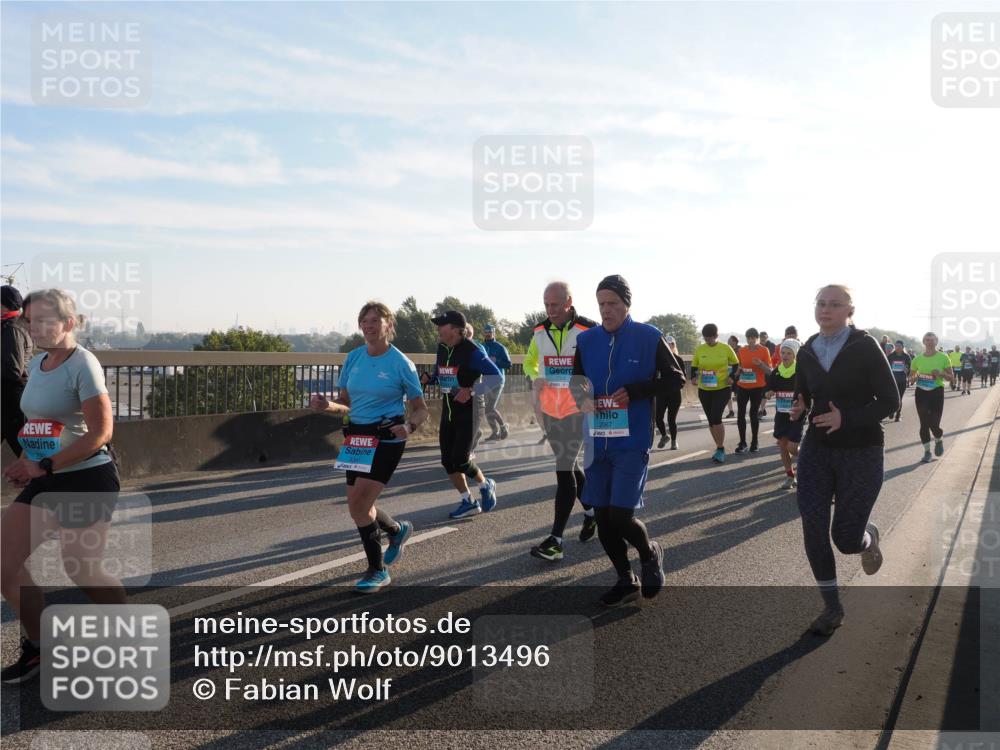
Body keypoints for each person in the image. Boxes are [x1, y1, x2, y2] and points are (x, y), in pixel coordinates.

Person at [2, 289, 125, 684]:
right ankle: (40, 647)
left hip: (88, 477)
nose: (33, 327)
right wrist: (26, 462)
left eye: (42, 320)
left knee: (81, 568)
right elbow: (39, 423)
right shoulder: (39, 363)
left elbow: (102, 433)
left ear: (68, 323)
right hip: (47, 476)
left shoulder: (83, 364)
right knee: (3, 565)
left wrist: (45, 465)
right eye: (29, 320)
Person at [790, 284, 899, 636]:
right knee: (813, 528)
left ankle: (867, 538)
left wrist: (845, 418)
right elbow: (805, 387)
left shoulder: (864, 346)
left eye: (835, 304)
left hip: (862, 450)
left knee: (846, 539)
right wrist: (800, 403)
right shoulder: (807, 349)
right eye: (821, 303)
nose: (826, 309)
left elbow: (889, 401)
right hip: (817, 450)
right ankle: (832, 607)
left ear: (849, 310)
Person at [570, 275, 684, 606]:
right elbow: (577, 381)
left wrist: (636, 391)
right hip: (597, 440)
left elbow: (675, 378)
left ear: (626, 305)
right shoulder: (587, 340)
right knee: (603, 517)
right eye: (602, 304)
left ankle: (650, 554)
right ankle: (625, 578)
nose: (606, 310)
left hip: (632, 439)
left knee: (621, 515)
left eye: (613, 304)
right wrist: (582, 396)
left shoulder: (649, 336)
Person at [309, 302, 429, 593]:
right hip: (356, 439)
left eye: (376, 320)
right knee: (358, 506)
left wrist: (409, 427)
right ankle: (396, 530)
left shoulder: (401, 363)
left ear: (388, 325)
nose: (369, 325)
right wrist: (328, 406)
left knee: (359, 505)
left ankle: (378, 570)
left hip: (387, 437)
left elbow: (420, 408)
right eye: (365, 320)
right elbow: (346, 405)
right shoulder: (353, 358)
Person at [523, 281, 599, 561]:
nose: (549, 310)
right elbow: (530, 363)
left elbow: (602, 363)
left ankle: (555, 540)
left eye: (555, 304)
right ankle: (591, 513)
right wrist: (535, 379)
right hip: (550, 410)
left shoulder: (588, 330)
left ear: (569, 302)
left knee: (563, 468)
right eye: (546, 304)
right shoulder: (539, 331)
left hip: (577, 411)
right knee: (569, 465)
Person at [420, 310, 501, 518]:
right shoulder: (442, 348)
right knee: (447, 461)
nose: (438, 328)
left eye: (442, 325)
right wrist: (430, 378)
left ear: (455, 329)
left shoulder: (472, 351)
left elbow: (496, 377)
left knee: (461, 459)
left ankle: (485, 484)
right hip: (448, 409)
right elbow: (442, 376)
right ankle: (468, 501)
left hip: (471, 410)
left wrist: (471, 390)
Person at [692, 325, 740, 463]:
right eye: (706, 338)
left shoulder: (725, 348)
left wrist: (733, 377)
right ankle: (718, 447)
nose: (708, 341)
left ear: (716, 336)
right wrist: (693, 378)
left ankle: (720, 448)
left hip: (722, 388)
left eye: (710, 338)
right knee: (711, 420)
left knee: (716, 417)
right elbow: (694, 365)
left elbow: (736, 364)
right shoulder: (701, 349)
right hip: (705, 389)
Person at [765, 339, 805, 489]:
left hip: (797, 414)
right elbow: (771, 388)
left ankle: (809, 459)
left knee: (792, 447)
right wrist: (769, 392)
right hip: (781, 413)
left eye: (789, 353)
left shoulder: (801, 372)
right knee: (782, 445)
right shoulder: (776, 371)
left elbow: (807, 391)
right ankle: (790, 476)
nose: (785, 355)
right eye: (783, 352)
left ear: (795, 355)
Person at [907, 332, 953, 464]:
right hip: (921, 393)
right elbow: (910, 379)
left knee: (934, 424)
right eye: (927, 340)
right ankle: (927, 452)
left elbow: (951, 378)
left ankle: (938, 438)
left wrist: (941, 373)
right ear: (924, 342)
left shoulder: (944, 357)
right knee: (924, 424)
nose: (930, 342)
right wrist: (914, 378)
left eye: (932, 340)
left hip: (936, 392)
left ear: (936, 341)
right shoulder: (917, 359)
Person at [2, 286, 31, 457]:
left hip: (11, 400)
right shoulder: (8, 326)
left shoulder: (12, 329)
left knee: (26, 452)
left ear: (4, 305)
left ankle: (47, 482)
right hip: (6, 399)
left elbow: (13, 369)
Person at [734, 327, 772, 453]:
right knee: (740, 414)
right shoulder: (742, 350)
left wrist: (760, 364)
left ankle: (754, 442)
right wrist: (738, 371)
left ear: (757, 339)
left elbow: (769, 371)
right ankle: (742, 442)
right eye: (748, 338)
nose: (751, 341)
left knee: (753, 414)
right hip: (742, 386)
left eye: (753, 338)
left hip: (757, 387)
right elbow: (739, 365)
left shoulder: (764, 350)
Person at [481, 324, 512, 441]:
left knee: (490, 407)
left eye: (490, 331)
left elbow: (508, 364)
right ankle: (495, 432)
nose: (488, 333)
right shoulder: (482, 346)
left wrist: (496, 361)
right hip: (485, 380)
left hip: (497, 379)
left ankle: (504, 427)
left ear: (494, 333)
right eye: (486, 331)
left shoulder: (500, 347)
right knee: (485, 408)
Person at [654, 335, 685, 450]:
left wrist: (674, 384)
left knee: (671, 419)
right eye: (666, 344)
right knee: (658, 417)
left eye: (671, 344)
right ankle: (664, 435)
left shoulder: (679, 360)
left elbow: (683, 378)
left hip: (675, 393)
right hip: (661, 393)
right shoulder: (658, 360)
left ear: (674, 346)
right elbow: (654, 375)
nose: (668, 346)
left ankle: (674, 441)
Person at [886, 340, 912, 422]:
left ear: (902, 347)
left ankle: (898, 414)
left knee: (899, 398)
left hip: (902, 380)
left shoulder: (907, 357)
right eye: (896, 346)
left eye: (899, 346)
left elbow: (910, 369)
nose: (897, 348)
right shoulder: (890, 356)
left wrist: (907, 370)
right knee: (892, 397)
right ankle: (891, 411)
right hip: (892, 381)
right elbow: (885, 368)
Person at [758, 331, 776, 418]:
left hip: (768, 372)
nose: (762, 339)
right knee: (759, 392)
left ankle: (761, 410)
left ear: (767, 337)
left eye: (764, 337)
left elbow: (773, 358)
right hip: (758, 372)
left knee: (764, 392)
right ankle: (762, 409)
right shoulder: (757, 346)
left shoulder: (772, 346)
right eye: (761, 337)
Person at [725, 335, 740, 418]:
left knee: (739, 395)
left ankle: (741, 409)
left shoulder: (740, 350)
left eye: (729, 340)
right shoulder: (726, 350)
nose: (728, 342)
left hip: (738, 375)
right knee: (728, 394)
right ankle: (731, 411)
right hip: (729, 374)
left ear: (734, 342)